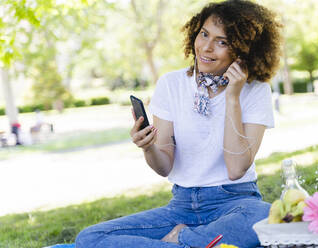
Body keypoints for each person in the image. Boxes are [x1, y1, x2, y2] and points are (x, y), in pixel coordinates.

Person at [75, 0, 282, 247]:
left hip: (235, 202)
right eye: (204, 34)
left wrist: (233, 98)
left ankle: (181, 240)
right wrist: (149, 147)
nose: (206, 47)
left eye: (222, 42)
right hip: (182, 206)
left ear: (242, 50)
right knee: (90, 238)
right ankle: (199, 242)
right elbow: (164, 166)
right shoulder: (171, 85)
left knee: (265, 217)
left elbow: (237, 168)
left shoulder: (255, 90)